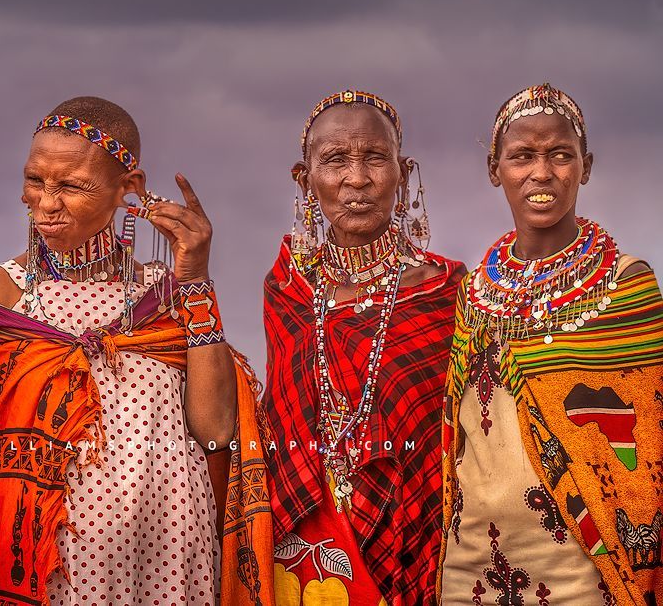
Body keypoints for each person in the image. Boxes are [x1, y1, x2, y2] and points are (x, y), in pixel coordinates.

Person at [0, 96, 274, 605]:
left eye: (71, 186)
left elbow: (215, 428)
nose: (46, 202)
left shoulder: (167, 295)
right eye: (35, 180)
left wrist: (195, 277)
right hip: (52, 560)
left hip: (169, 547)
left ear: (130, 187)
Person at [438, 83, 662, 605]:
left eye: (560, 154)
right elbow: (460, 437)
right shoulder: (474, 292)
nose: (542, 172)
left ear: (585, 166)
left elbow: (649, 452)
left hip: (585, 571)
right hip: (468, 568)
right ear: (495, 169)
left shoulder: (626, 285)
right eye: (522, 156)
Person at [263, 90, 465, 605]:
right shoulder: (287, 290)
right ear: (305, 179)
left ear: (403, 172)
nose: (357, 178)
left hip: (419, 538)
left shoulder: (447, 292)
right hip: (309, 550)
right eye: (335, 160)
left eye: (375, 158)